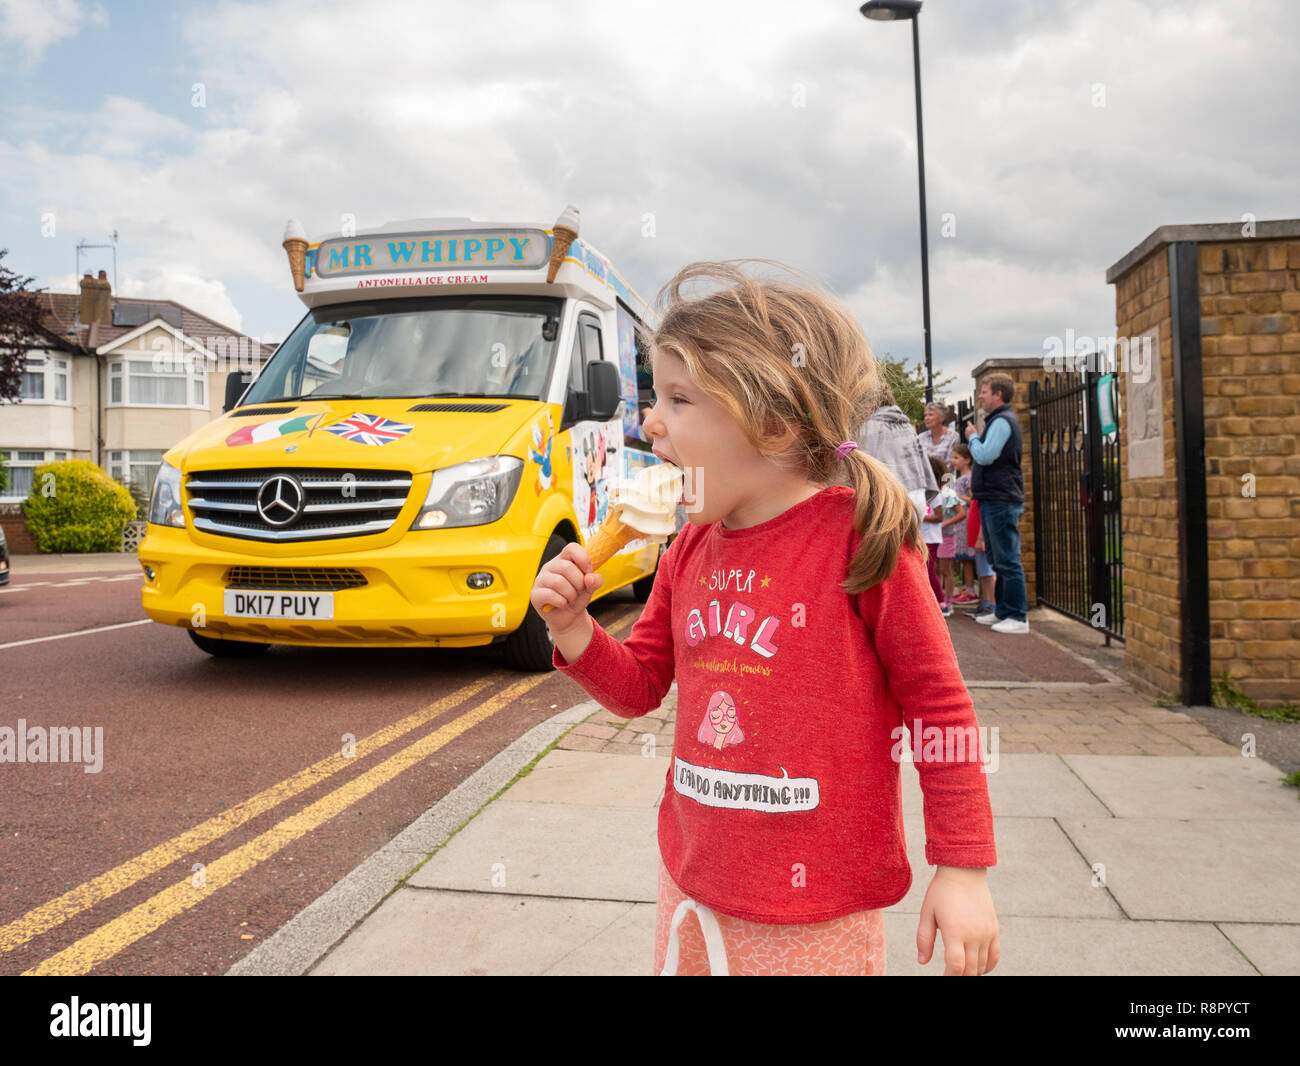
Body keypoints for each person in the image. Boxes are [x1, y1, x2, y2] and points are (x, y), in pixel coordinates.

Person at [531, 260, 998, 977]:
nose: (650, 422)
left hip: (816, 905)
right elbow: (641, 686)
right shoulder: (688, 544)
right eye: (657, 397)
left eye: (680, 400)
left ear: (774, 424)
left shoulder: (861, 538)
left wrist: (962, 867)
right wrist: (575, 631)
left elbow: (939, 707)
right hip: (692, 877)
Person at [858, 385, 945, 609]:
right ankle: (914, 602)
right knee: (908, 553)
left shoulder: (869, 426)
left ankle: (892, 605)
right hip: (915, 494)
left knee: (882, 557)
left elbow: (864, 466)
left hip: (892, 496)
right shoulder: (904, 424)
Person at [964, 373, 1028, 633]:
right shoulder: (998, 421)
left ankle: (1018, 616)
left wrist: (972, 437)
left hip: (1001, 499)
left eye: (984, 391)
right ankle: (1003, 611)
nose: (980, 396)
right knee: (998, 558)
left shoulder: (1002, 421)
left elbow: (985, 455)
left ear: (998, 395)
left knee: (1007, 559)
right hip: (994, 498)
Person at [919, 401, 960, 471]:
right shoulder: (921, 437)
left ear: (942, 418)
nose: (926, 418)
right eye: (925, 415)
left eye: (930, 415)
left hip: (945, 479)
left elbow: (950, 465)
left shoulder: (953, 436)